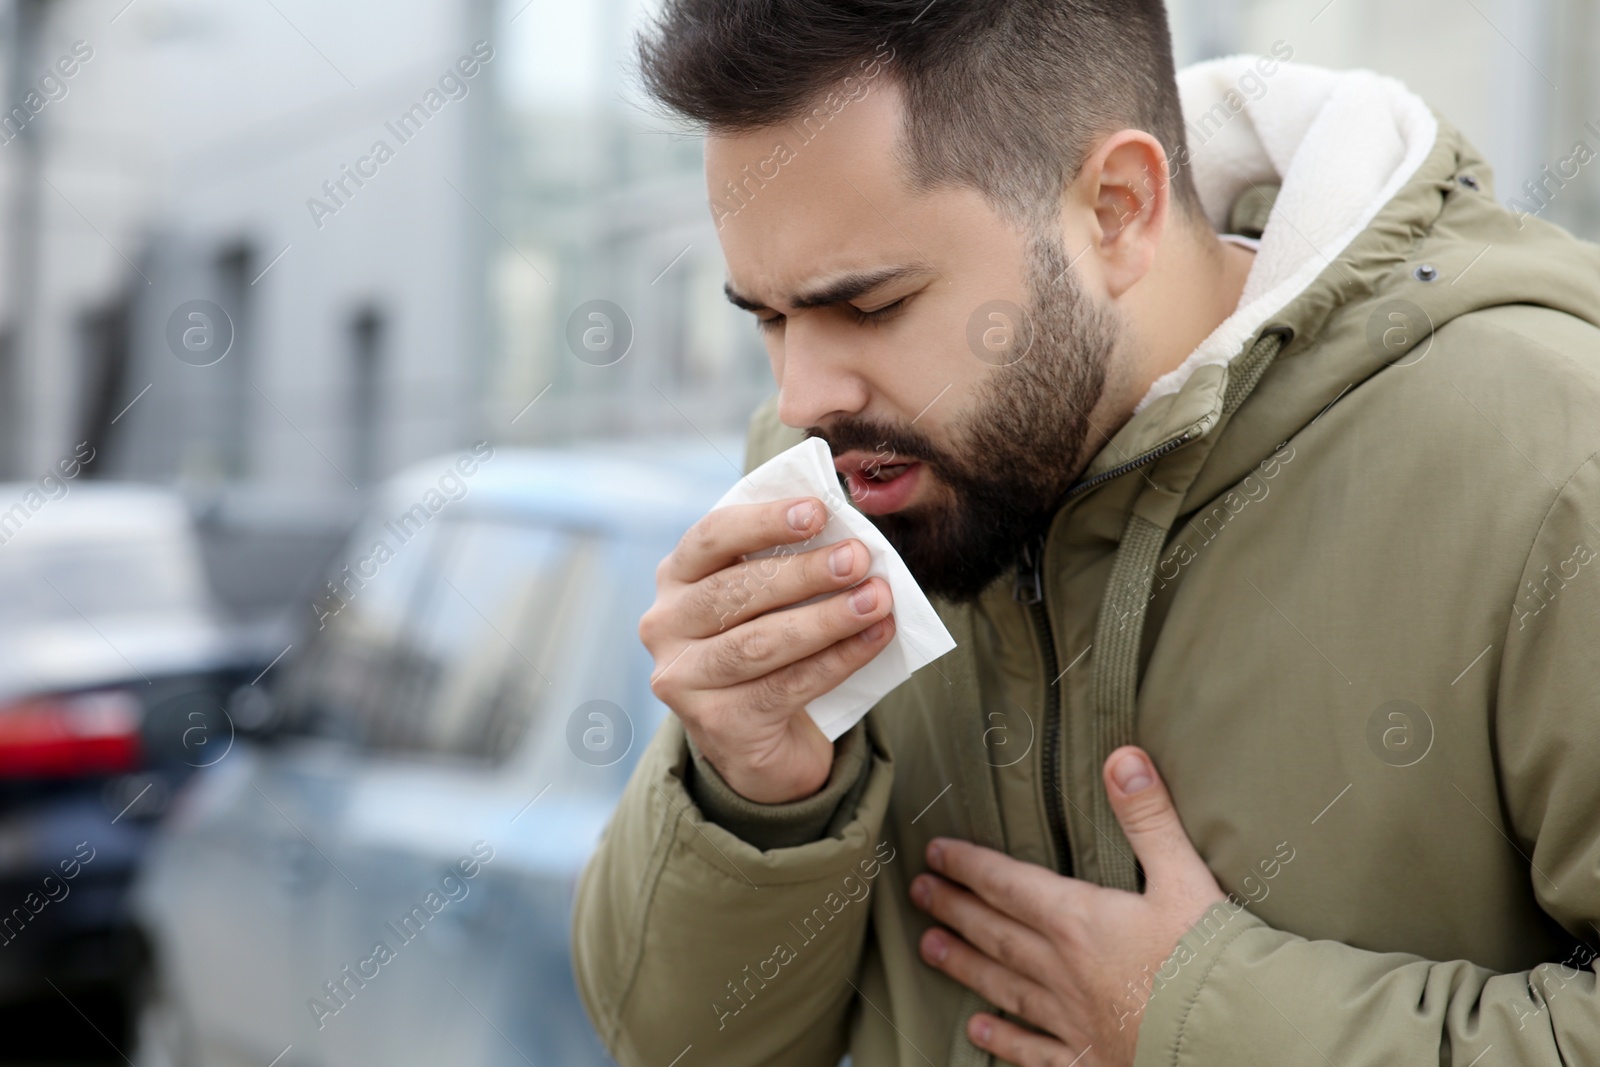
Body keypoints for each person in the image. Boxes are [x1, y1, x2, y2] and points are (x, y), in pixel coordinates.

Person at [573, 2, 1600, 1064]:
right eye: (770, 318)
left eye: (871, 306)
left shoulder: (1550, 457)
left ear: (1116, 209)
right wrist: (750, 796)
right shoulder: (835, 476)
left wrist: (1201, 1023)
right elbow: (682, 1045)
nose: (801, 393)